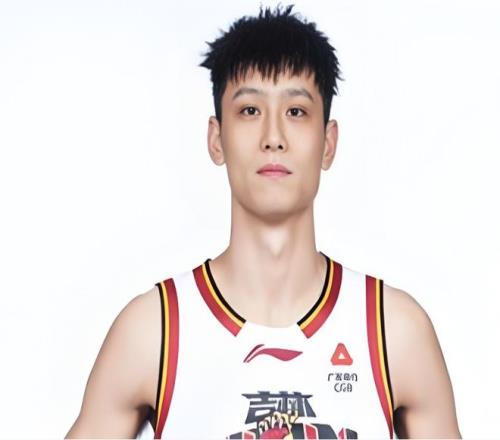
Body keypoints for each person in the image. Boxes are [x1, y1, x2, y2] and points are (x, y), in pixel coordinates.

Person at [65, 4, 461, 439]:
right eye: (250, 110)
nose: (273, 137)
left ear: (328, 143)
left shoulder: (394, 331)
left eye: (296, 111)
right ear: (217, 139)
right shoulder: (154, 332)